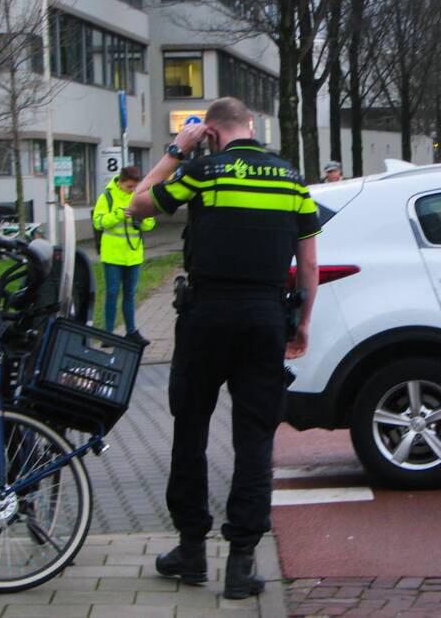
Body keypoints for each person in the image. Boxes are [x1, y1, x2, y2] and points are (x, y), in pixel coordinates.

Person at [127, 97, 320, 600]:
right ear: (251, 127)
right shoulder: (291, 180)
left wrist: (176, 150)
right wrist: (302, 323)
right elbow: (309, 263)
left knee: (189, 431)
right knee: (254, 441)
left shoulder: (204, 171)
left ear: (210, 132)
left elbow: (137, 204)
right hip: (263, 318)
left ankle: (191, 551)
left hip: (206, 317)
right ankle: (241, 565)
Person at [92, 165, 154, 346]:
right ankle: (108, 334)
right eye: (129, 186)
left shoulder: (140, 197)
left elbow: (150, 224)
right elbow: (98, 222)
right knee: (112, 293)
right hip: (112, 255)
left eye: (135, 186)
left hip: (133, 254)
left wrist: (140, 219)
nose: (133, 190)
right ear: (120, 182)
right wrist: (119, 215)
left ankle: (131, 331)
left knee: (129, 293)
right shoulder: (107, 197)